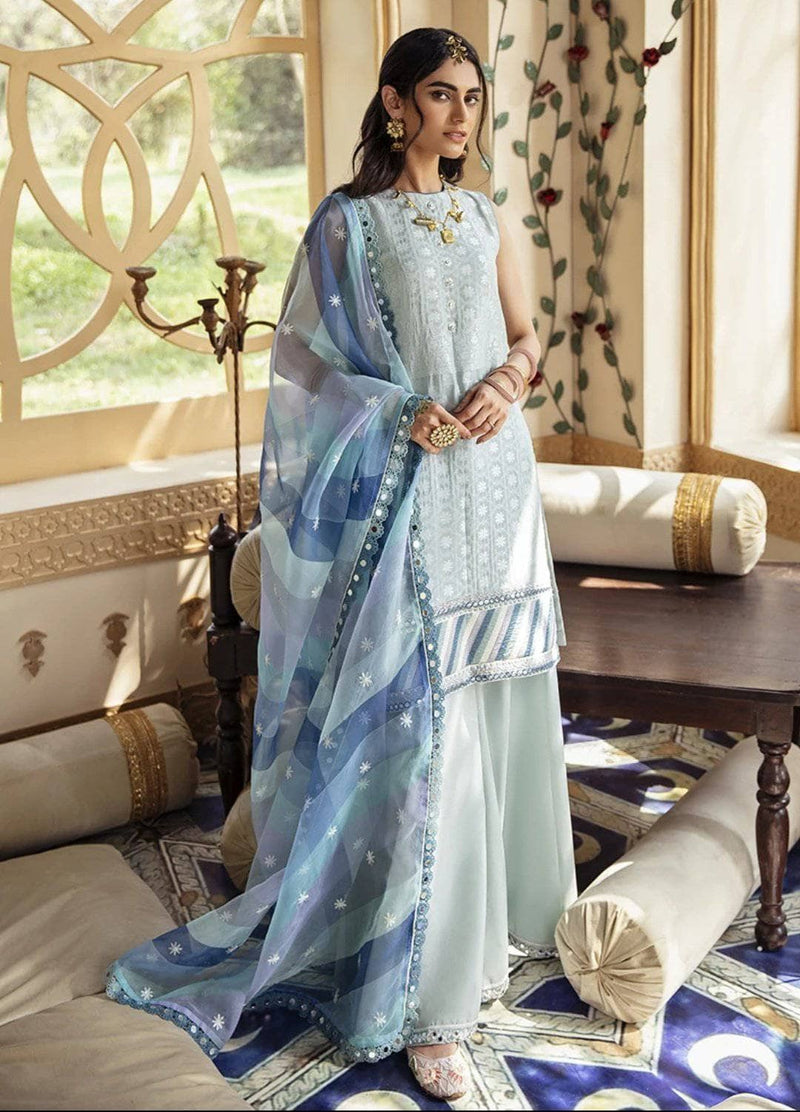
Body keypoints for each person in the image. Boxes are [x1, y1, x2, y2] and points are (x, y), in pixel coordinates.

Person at [105, 26, 577, 1105]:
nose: (460, 116)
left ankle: (510, 919)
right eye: (440, 95)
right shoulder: (348, 225)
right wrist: (399, 410)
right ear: (396, 103)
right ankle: (429, 992)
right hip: (409, 494)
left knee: (498, 694)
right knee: (422, 722)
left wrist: (505, 382)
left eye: (471, 97)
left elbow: (526, 335)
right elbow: (306, 368)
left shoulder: (483, 215)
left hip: (496, 490)